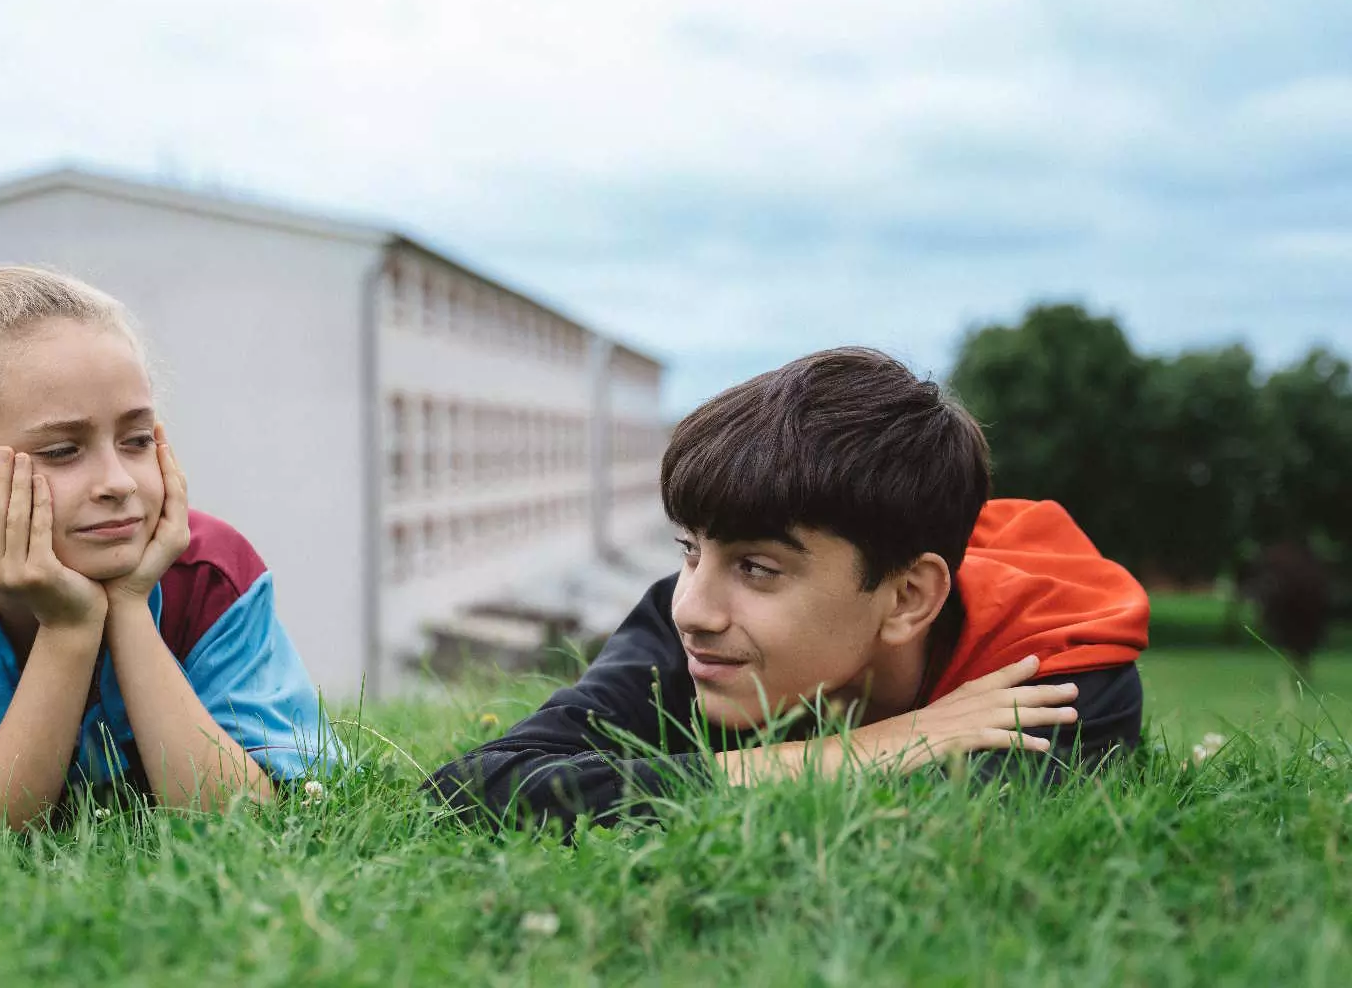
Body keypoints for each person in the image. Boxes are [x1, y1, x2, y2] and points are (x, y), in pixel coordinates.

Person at [427, 347, 1149, 830]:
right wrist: (877, 746)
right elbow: (471, 787)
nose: (693, 610)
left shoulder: (1052, 665)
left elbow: (917, 839)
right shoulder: (692, 626)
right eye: (691, 550)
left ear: (906, 599)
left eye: (756, 569)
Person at [0, 266, 341, 829]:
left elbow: (248, 817)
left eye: (137, 440)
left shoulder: (215, 574)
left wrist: (128, 606)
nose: (118, 482)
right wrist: (70, 628)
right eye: (60, 451)